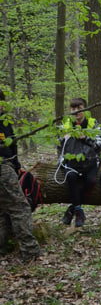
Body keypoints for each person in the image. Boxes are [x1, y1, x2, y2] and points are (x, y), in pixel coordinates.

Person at [0, 90, 40, 261]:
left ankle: (3, 246)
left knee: (3, 209)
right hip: (2, 168)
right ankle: (30, 251)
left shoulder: (5, 121)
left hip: (9, 166)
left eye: (2, 102)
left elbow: (13, 144)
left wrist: (16, 166)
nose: (1, 106)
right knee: (20, 207)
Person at [58, 98, 101, 227]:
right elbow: (58, 144)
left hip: (90, 162)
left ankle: (73, 208)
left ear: (85, 109)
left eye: (79, 108)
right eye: (73, 109)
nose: (76, 112)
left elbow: (100, 145)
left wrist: (86, 138)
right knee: (71, 177)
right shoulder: (65, 124)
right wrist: (63, 139)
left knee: (90, 181)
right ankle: (79, 210)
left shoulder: (93, 124)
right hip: (71, 162)